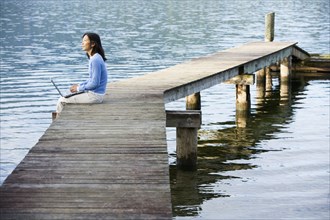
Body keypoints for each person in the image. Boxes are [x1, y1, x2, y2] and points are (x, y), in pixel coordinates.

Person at [56, 32, 108, 113]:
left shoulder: (95, 60)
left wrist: (78, 88)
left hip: (95, 96)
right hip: (95, 94)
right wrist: (79, 85)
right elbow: (91, 79)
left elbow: (95, 83)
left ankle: (59, 124)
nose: (82, 43)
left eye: (85, 41)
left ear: (93, 44)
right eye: (82, 41)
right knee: (68, 95)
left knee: (61, 100)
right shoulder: (95, 57)